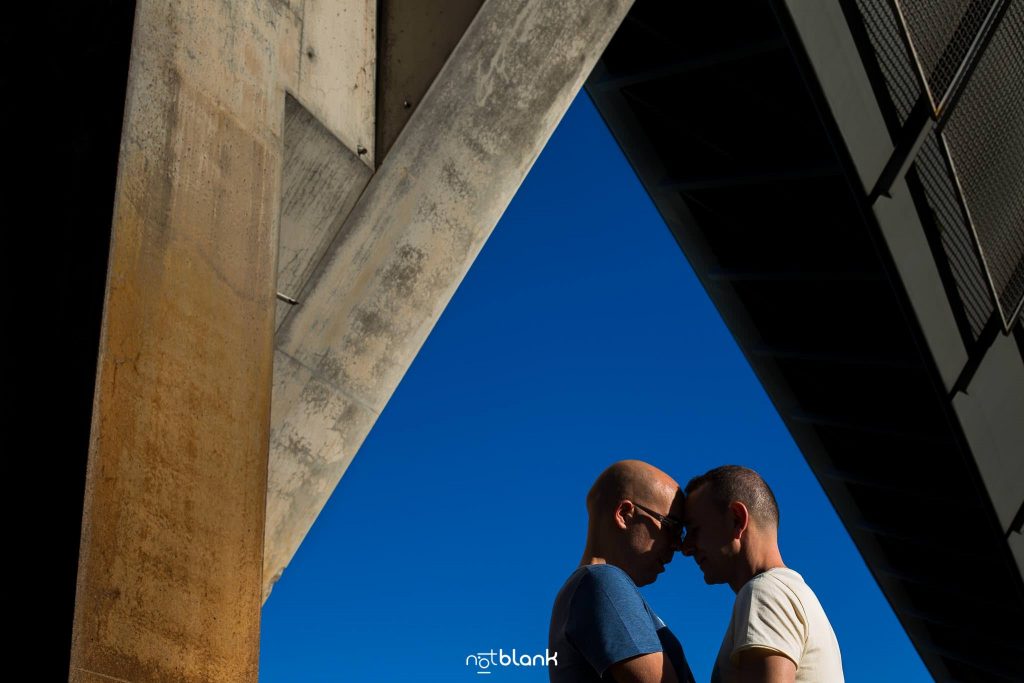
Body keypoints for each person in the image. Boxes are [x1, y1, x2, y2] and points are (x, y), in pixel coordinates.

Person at [680, 465, 843, 682]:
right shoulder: (793, 595)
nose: (686, 547)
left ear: (737, 520)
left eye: (694, 530)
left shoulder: (764, 592)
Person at [549, 460, 696, 683]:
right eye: (672, 527)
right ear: (625, 514)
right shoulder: (602, 581)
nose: (679, 545)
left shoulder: (588, 587)